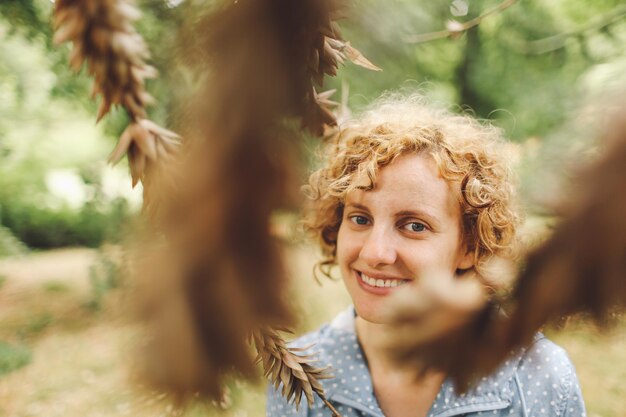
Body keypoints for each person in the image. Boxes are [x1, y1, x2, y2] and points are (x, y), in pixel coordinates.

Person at [266, 94, 586, 417]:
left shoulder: (537, 380)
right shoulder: (296, 377)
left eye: (414, 225)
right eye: (360, 218)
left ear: (470, 247)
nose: (375, 252)